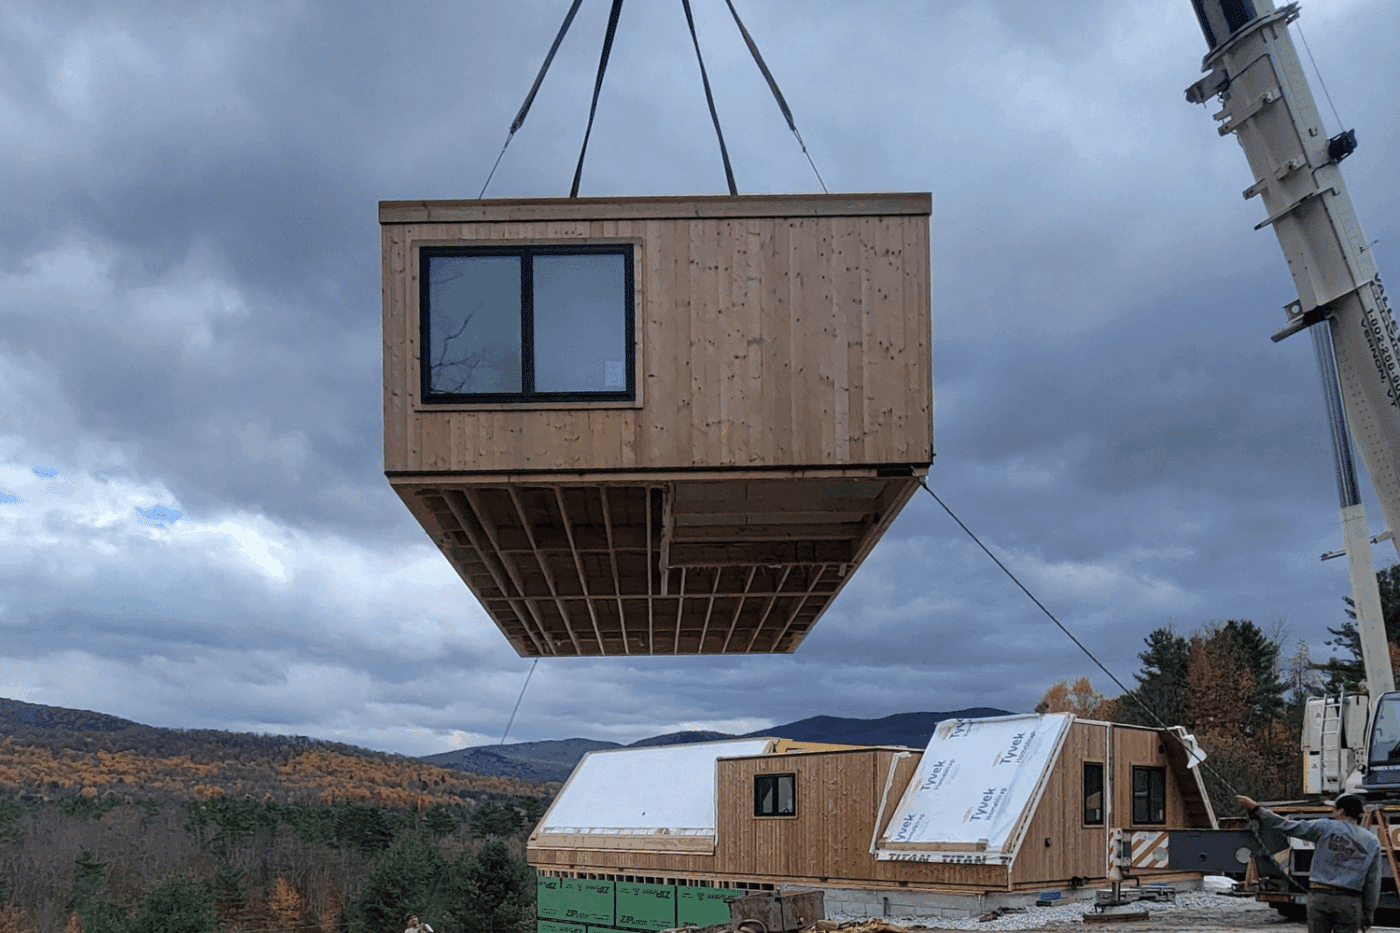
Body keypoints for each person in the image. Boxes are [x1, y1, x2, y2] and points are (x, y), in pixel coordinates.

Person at [1236, 793, 1381, 932]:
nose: (1332, 812)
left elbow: (1286, 826)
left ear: (1341, 811)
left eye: (1334, 808)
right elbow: (1372, 882)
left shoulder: (1325, 827)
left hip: (1320, 897)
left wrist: (1256, 808)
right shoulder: (1372, 841)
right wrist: (1369, 912)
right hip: (1350, 901)